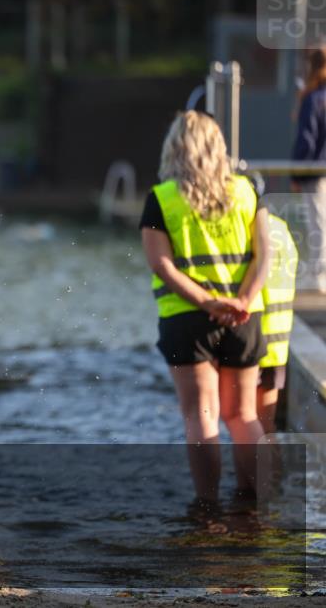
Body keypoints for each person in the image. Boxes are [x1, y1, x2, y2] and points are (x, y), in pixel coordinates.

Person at [140, 110, 269, 510]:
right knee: (244, 415)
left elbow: (161, 264)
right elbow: (266, 254)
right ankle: (256, 502)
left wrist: (209, 302)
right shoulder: (246, 191)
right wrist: (243, 301)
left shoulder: (163, 198)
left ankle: (207, 506)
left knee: (201, 416)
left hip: (188, 318)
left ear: (174, 149)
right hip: (244, 319)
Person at [257, 215, 298, 433]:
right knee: (266, 427)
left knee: (245, 423)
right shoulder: (281, 227)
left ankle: (253, 468)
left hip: (251, 341)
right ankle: (273, 469)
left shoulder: (248, 227)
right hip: (277, 345)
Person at [291, 45, 326, 293]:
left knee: (318, 222)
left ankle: (318, 276)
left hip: (316, 172)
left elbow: (306, 140)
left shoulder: (313, 99)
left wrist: (296, 172)